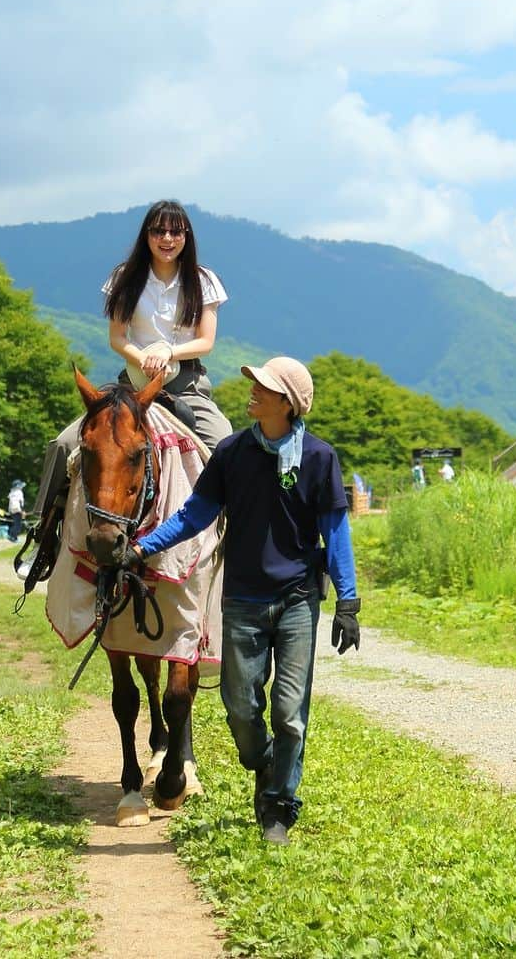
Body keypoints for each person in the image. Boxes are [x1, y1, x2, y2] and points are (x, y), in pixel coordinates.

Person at [133, 356, 361, 846]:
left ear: (287, 402)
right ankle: (263, 761)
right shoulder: (232, 453)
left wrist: (348, 601)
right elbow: (194, 515)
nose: (252, 391)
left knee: (290, 713)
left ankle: (278, 806)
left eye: (263, 386)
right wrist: (142, 546)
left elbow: (335, 533)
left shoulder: (319, 458)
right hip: (241, 599)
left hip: (299, 598)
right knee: (240, 707)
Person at [18, 200, 232, 582]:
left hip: (185, 384)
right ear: (146, 235)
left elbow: (206, 341)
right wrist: (143, 356)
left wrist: (168, 350)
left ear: (187, 236)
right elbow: (117, 337)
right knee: (66, 444)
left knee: (224, 443)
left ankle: (236, 546)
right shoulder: (125, 277)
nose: (167, 239)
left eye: (175, 231)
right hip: (131, 382)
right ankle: (43, 535)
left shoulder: (203, 280)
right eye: (158, 231)